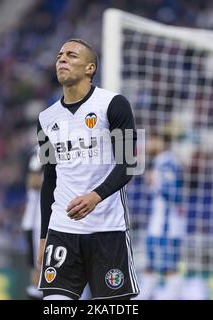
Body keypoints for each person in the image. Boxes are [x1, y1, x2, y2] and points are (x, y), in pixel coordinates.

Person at [36, 39, 139, 300]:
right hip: (62, 230)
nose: (62, 59)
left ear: (90, 68)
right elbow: (49, 179)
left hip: (108, 229)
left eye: (71, 55)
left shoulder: (114, 104)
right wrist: (43, 235)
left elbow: (129, 164)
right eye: (59, 55)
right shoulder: (46, 118)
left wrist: (96, 196)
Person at [137, 131, 186, 300]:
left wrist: (155, 183)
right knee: (150, 264)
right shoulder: (161, 162)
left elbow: (174, 194)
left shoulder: (168, 163)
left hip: (167, 225)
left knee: (168, 266)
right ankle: (145, 295)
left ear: (161, 142)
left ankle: (174, 295)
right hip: (157, 223)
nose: (149, 144)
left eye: (152, 140)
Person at [21, 147, 43, 300]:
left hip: (40, 219)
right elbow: (33, 181)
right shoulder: (40, 151)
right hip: (36, 220)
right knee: (37, 269)